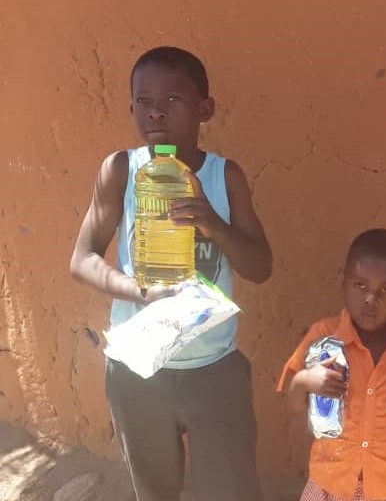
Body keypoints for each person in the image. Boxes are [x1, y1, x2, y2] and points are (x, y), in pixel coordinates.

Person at [70, 46, 273, 501]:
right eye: (143, 101)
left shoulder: (225, 177)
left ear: (205, 109)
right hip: (137, 369)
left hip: (214, 367)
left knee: (230, 489)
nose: (156, 112)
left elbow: (260, 268)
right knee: (156, 490)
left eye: (173, 100)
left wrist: (213, 224)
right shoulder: (121, 170)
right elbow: (81, 258)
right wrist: (136, 289)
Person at [278, 229, 386, 501]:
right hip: (330, 486)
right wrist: (304, 381)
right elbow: (294, 403)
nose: (371, 299)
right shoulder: (323, 337)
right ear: (343, 281)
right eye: (360, 285)